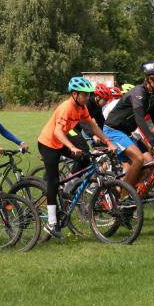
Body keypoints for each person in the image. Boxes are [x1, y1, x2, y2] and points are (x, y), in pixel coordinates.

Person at [37, 77, 116, 239]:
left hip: (61, 142)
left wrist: (107, 141)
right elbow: (58, 132)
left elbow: (92, 126)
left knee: (85, 158)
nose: (88, 98)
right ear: (74, 94)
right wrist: (72, 147)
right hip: (48, 144)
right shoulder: (66, 108)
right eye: (84, 95)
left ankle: (69, 187)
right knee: (53, 181)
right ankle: (51, 223)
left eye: (88, 95)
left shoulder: (81, 108)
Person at [103, 63, 154, 189]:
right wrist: (153, 143)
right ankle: (125, 196)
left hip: (126, 133)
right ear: (150, 80)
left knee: (148, 166)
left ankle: (125, 194)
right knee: (139, 158)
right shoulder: (138, 93)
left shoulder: (152, 96)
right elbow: (140, 119)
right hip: (113, 130)